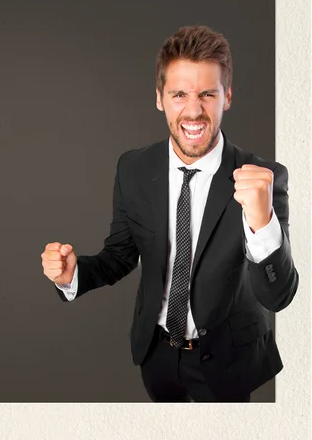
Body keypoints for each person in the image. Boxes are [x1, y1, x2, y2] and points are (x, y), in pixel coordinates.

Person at [40, 25, 299, 403]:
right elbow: (120, 256)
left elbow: (277, 295)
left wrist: (262, 223)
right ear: (160, 98)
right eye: (179, 94)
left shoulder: (262, 178)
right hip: (157, 356)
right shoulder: (133, 168)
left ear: (227, 96)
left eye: (207, 94)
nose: (193, 111)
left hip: (229, 362)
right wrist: (72, 274)